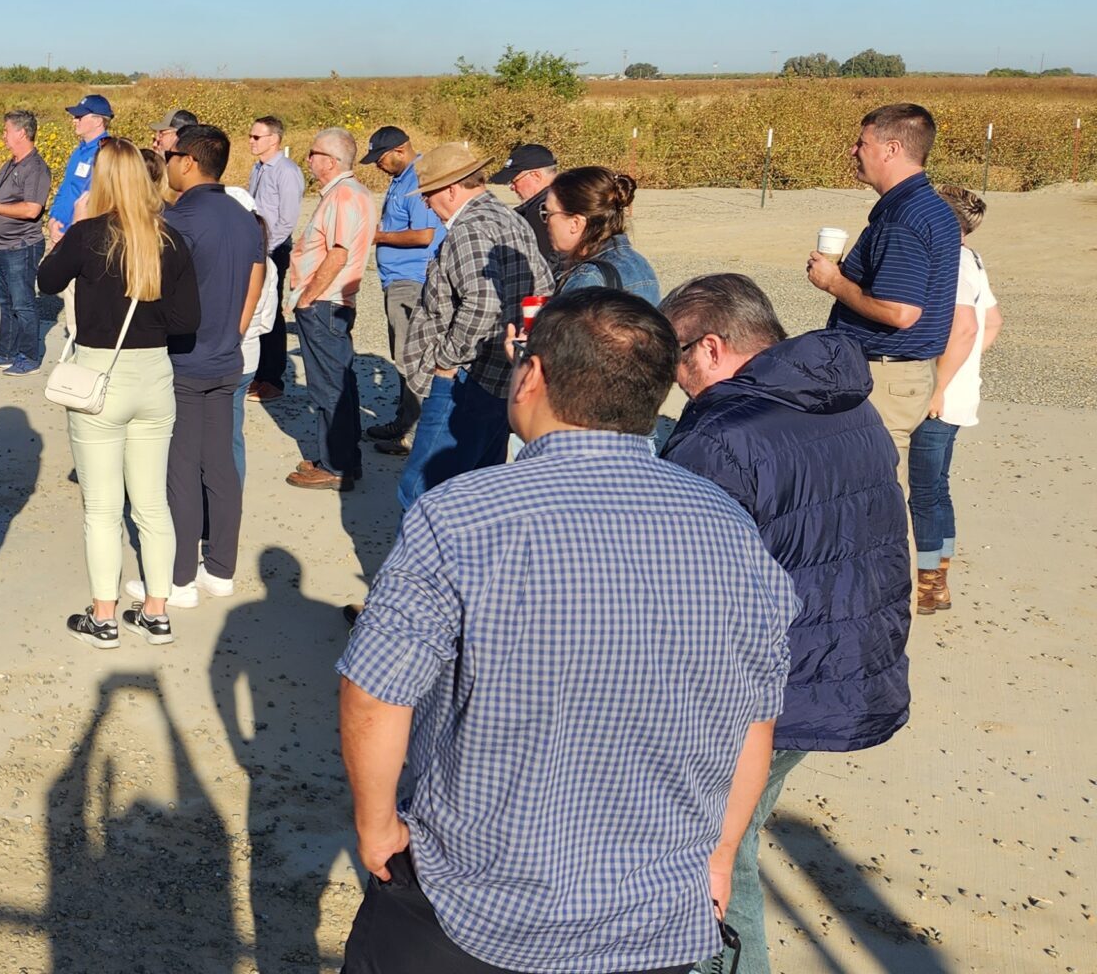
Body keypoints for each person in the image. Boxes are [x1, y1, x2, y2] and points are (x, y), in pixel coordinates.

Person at [337, 289, 797, 974]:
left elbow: (375, 692)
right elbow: (754, 722)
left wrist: (376, 825)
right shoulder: (730, 527)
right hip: (651, 916)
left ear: (535, 375)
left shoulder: (460, 516)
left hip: (470, 905)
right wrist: (720, 858)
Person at [658, 273, 910, 974]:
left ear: (710, 347)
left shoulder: (726, 433)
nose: (669, 379)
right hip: (846, 660)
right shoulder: (843, 400)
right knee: (733, 840)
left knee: (713, 852)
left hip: (774, 684)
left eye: (671, 358)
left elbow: (682, 582)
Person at [38, 138, 199, 649]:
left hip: (99, 375)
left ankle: (103, 616)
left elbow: (45, 281)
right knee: (152, 504)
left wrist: (65, 232)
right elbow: (186, 321)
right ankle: (156, 612)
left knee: (103, 508)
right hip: (153, 375)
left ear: (103, 181)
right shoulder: (168, 240)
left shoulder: (88, 236)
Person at [808, 102, 963, 501]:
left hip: (887, 380)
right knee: (878, 497)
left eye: (861, 143)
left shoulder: (903, 219)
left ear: (891, 149)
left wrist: (834, 283)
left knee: (874, 502)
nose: (853, 151)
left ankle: (893, 566)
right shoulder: (932, 209)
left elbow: (901, 311)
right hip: (904, 376)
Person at [396, 143, 553, 509]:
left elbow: (482, 302)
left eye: (428, 195)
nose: (427, 206)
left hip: (466, 380)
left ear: (451, 190)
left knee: (420, 492)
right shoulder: (512, 218)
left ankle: (417, 567)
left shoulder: (468, 230)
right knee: (478, 490)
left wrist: (446, 363)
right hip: (503, 377)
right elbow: (542, 289)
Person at [154, 125, 263, 607]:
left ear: (189, 161)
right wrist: (235, 332)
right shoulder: (244, 217)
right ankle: (220, 569)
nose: (166, 161)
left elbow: (154, 291)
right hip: (227, 357)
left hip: (185, 359)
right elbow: (256, 278)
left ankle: (179, 580)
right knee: (220, 465)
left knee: (180, 467)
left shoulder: (179, 219)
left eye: (170, 153)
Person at [910, 186, 999, 614]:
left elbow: (966, 328)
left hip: (940, 396)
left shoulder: (956, 261)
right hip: (960, 391)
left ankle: (929, 586)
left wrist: (939, 384)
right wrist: (962, 368)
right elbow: (993, 324)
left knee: (925, 492)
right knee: (937, 488)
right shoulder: (974, 259)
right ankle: (938, 580)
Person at [284, 127, 376, 494]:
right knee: (339, 382)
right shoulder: (348, 194)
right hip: (330, 301)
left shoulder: (343, 196)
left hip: (324, 301)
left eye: (314, 153)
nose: (308, 159)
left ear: (333, 161)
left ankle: (335, 466)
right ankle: (338, 458)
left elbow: (338, 253)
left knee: (328, 386)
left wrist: (307, 297)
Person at [362, 126, 441, 454]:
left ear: (400, 150)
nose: (378, 165)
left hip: (411, 281)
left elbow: (423, 234)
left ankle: (411, 433)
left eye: (380, 159)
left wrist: (377, 237)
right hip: (398, 279)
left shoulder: (416, 180)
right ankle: (404, 421)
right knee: (405, 356)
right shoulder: (401, 179)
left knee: (412, 358)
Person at [0, 111, 52, 375]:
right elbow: (6, 200)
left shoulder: (36, 168)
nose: (3, 135)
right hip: (0, 246)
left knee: (23, 304)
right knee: (4, 303)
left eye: (6, 130)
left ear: (22, 133)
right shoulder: (10, 164)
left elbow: (32, 209)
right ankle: (6, 351)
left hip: (20, 246)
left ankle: (28, 355)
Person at [244, 115, 305, 403]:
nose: (251, 141)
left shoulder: (286, 171)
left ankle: (273, 377)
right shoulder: (258, 169)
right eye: (251, 136)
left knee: (271, 309)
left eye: (257, 137)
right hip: (257, 246)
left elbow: (288, 219)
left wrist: (267, 249)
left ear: (274, 139)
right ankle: (257, 373)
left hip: (273, 249)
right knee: (254, 306)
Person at [545, 165, 660, 302]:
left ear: (575, 223)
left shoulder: (587, 279)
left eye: (548, 213)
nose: (545, 221)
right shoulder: (640, 265)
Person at [46, 94, 113, 240]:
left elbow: (99, 201)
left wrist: (75, 232)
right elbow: (66, 188)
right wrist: (53, 220)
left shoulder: (107, 153)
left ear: (98, 121)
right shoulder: (79, 151)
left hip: (83, 236)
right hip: (63, 232)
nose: (74, 120)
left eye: (79, 117)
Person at [491, 142, 560, 267]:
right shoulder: (568, 199)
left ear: (535, 176)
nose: (512, 187)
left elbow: (542, 265)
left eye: (514, 180)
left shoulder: (540, 212)